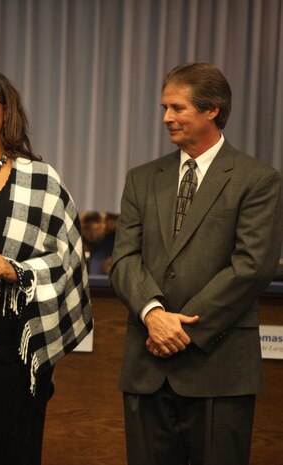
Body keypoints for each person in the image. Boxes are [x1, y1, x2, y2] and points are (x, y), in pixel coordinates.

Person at [110, 63, 282, 465]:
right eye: (164, 107)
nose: (166, 117)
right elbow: (124, 260)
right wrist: (154, 315)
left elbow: (253, 266)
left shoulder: (257, 179)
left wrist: (180, 327)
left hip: (218, 367)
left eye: (177, 107)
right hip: (146, 366)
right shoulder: (142, 178)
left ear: (212, 110)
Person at [0, 70, 93, 465]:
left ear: (6, 109)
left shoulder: (42, 179)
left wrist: (21, 271)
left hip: (21, 352)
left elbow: (69, 258)